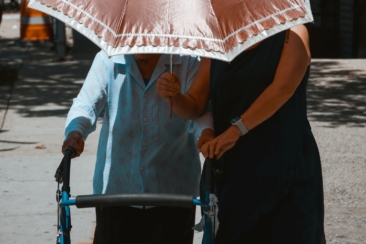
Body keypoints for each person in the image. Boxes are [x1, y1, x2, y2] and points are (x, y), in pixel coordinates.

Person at [157, 25, 326, 243]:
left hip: (287, 166)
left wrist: (236, 130)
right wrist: (174, 97)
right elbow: (195, 105)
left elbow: (282, 89)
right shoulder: (217, 42)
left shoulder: (293, 33)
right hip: (234, 171)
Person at [62, 52, 214, 244]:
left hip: (174, 192)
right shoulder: (108, 60)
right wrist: (76, 132)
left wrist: (206, 133)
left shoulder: (188, 63)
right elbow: (85, 104)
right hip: (116, 192)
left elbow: (200, 109)